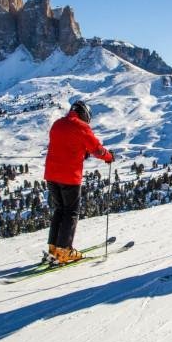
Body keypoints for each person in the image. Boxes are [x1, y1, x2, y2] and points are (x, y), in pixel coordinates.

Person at [44, 100, 114, 264]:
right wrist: (109, 157)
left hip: (51, 176)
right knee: (71, 212)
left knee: (59, 210)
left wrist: (81, 151)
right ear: (84, 115)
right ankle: (64, 251)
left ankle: (53, 248)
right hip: (69, 177)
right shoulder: (81, 127)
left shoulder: (57, 124)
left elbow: (64, 145)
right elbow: (97, 149)